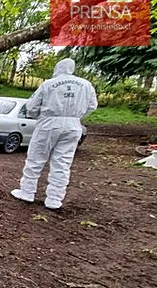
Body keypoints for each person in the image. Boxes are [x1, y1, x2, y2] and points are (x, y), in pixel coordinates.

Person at [11, 58, 97, 210]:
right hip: (73, 125)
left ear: (58, 68)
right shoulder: (86, 85)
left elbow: (31, 106)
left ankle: (27, 192)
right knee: (63, 163)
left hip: (49, 122)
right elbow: (92, 105)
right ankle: (54, 199)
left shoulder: (48, 84)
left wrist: (39, 116)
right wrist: (77, 115)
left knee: (36, 158)